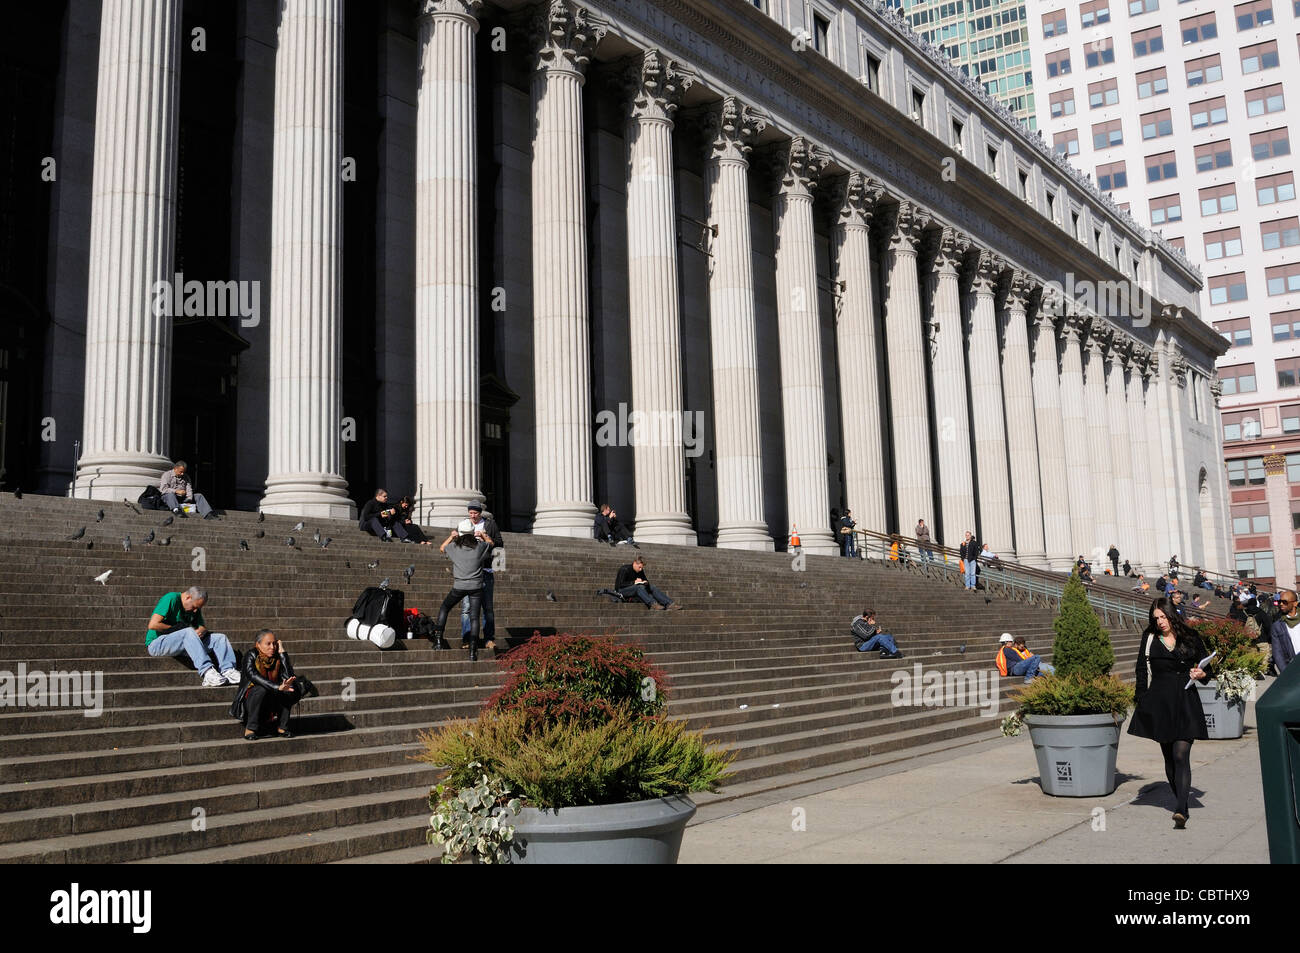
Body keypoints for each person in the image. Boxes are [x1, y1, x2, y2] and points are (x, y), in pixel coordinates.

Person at [1128, 597, 1211, 829]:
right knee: (1168, 756)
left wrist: (1200, 674)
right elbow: (1141, 670)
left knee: (1180, 754)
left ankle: (1181, 809)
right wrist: (1141, 700)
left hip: (1186, 700)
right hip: (1160, 702)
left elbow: (1208, 669)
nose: (1160, 622)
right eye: (1156, 618)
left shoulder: (1190, 636)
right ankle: (1180, 799)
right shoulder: (1150, 638)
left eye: (1163, 617)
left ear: (1171, 614)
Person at [145, 586, 239, 687]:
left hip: (181, 645)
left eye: (197, 608)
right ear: (188, 597)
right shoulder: (171, 598)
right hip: (157, 644)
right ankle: (207, 672)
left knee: (220, 638)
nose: (195, 611)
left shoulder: (194, 608)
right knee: (188, 632)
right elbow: (153, 625)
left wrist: (201, 631)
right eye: (194, 607)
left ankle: (228, 670)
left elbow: (202, 626)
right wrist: (177, 628)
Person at [429, 519, 495, 660]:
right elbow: (491, 544)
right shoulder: (480, 547)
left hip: (459, 586)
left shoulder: (454, 547)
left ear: (460, 533)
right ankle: (473, 650)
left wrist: (451, 537)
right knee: (474, 617)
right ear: (472, 532)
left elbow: (441, 548)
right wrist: (483, 535)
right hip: (476, 587)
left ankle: (438, 640)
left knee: (445, 608)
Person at [230, 630, 305, 740]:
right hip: (251, 701)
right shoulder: (250, 655)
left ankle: (282, 727)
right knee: (261, 689)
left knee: (288, 688)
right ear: (258, 644)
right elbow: (253, 676)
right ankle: (250, 728)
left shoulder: (277, 657)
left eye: (274, 643)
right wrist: (276, 687)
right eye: (268, 644)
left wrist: (282, 653)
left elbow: (289, 676)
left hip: (271, 700)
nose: (272, 647)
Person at [459, 501, 501, 650]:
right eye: (470, 513)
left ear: (480, 513)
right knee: (466, 608)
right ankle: (467, 638)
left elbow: (499, 544)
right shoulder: (464, 524)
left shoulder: (490, 525)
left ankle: (489, 638)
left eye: (475, 513)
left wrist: (484, 537)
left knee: (487, 607)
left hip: (486, 570)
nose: (473, 516)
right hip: (468, 571)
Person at [614, 556, 680, 610]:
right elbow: (619, 585)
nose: (640, 569)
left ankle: (669, 604)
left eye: (642, 568)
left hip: (636, 589)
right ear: (634, 563)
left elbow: (645, 580)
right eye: (639, 567)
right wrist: (634, 582)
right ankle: (653, 604)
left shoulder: (640, 571)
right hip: (622, 590)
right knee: (639, 587)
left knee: (652, 587)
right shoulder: (624, 569)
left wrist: (646, 583)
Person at [1268, 589, 1299, 675]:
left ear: (1295, 603)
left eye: (1285, 602)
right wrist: (1286, 673)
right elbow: (1277, 653)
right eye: (1280, 601)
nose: (1281, 604)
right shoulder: (1277, 626)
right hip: (1293, 669)